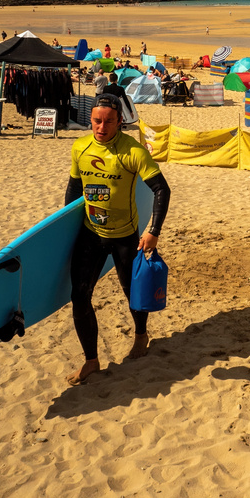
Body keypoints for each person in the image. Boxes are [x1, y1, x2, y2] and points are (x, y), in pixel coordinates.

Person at [64, 94, 171, 386]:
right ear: (91, 120)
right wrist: (63, 231)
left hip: (125, 235)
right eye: (97, 121)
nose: (101, 126)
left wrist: (153, 231)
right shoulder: (80, 147)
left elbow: (162, 190)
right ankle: (91, 360)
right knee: (80, 295)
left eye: (108, 121)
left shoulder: (133, 151)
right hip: (91, 233)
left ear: (119, 121)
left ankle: (140, 335)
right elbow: (74, 191)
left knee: (131, 292)